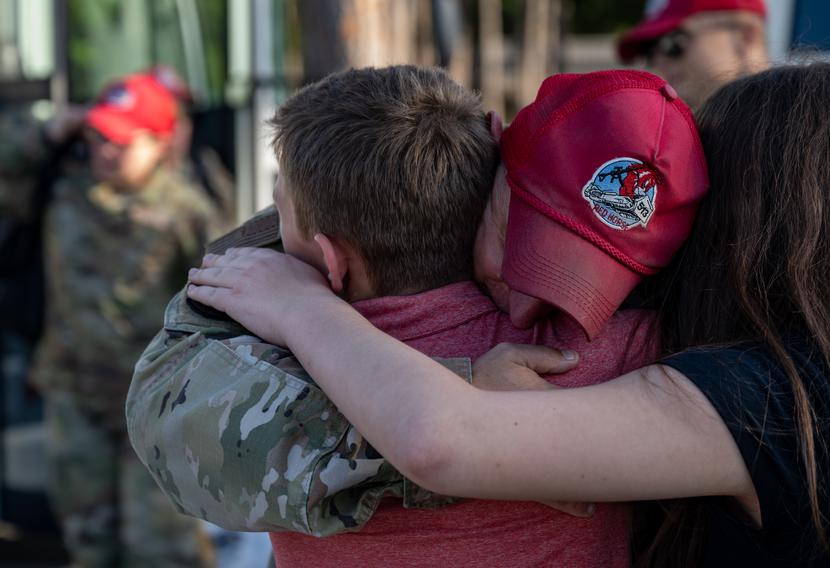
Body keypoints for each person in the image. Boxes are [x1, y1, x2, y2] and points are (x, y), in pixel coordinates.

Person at [186, 63, 830, 567]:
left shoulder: (763, 396)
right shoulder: (643, 344)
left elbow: (443, 438)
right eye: (527, 244)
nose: (534, 303)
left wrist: (296, 298)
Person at [0, 72, 222, 567]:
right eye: (98, 136)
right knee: (88, 542)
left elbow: (224, 306)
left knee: (159, 548)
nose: (105, 150)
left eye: (121, 140)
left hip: (153, 404)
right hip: (73, 394)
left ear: (160, 143)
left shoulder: (187, 211)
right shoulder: (64, 190)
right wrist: (51, 131)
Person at [617, 0, 770, 109]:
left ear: (746, 37)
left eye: (673, 42)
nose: (659, 63)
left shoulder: (789, 127)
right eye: (649, 53)